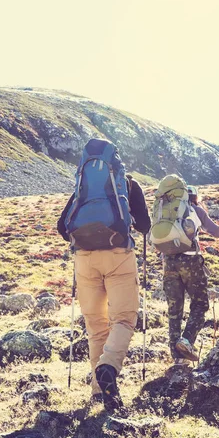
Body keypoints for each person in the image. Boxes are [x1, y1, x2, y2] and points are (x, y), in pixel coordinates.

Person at [57, 141, 151, 413]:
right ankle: (108, 367)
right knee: (123, 318)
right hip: (118, 255)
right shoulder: (129, 185)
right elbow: (144, 226)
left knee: (95, 324)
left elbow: (62, 227)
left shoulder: (81, 187)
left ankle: (100, 393)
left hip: (84, 260)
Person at [163, 185, 219, 363]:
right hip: (191, 261)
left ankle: (177, 358)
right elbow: (217, 232)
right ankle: (186, 340)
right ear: (195, 197)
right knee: (199, 305)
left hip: (169, 262)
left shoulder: (168, 211)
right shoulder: (196, 209)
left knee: (175, 309)